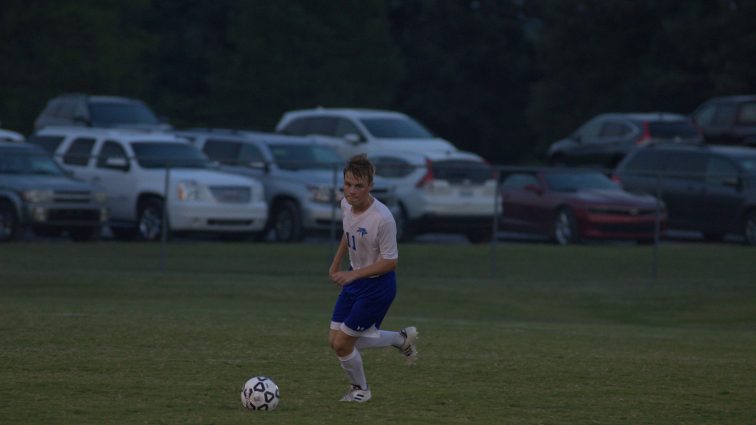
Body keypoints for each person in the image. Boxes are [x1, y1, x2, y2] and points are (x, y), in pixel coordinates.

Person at [328, 154, 418, 403]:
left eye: (358, 186)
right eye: (347, 184)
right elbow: (349, 232)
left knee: (344, 344)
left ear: (370, 186)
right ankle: (400, 339)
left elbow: (391, 262)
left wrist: (353, 274)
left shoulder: (383, 218)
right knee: (335, 340)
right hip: (355, 281)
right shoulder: (346, 205)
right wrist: (336, 262)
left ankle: (361, 390)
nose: (351, 191)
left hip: (378, 286)